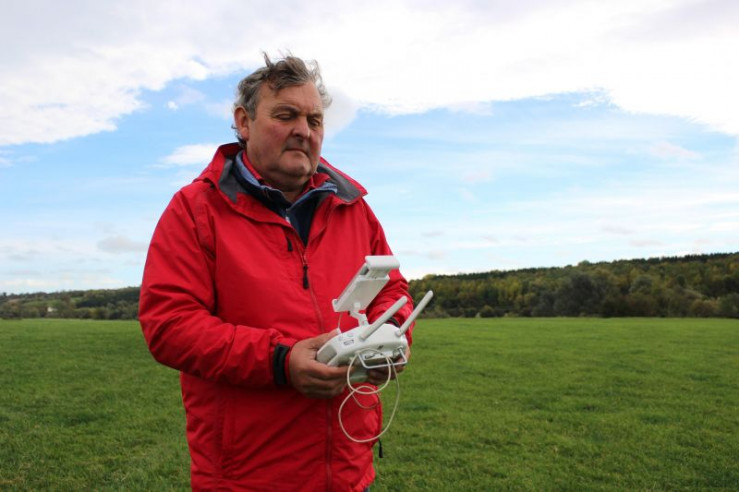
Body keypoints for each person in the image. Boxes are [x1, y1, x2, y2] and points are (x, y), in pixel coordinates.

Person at [138, 53, 415, 491]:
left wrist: (390, 340)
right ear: (243, 122)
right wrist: (281, 361)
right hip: (248, 475)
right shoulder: (195, 210)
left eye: (314, 120)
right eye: (286, 115)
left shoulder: (352, 207)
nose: (304, 130)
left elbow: (392, 289)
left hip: (347, 470)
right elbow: (169, 325)